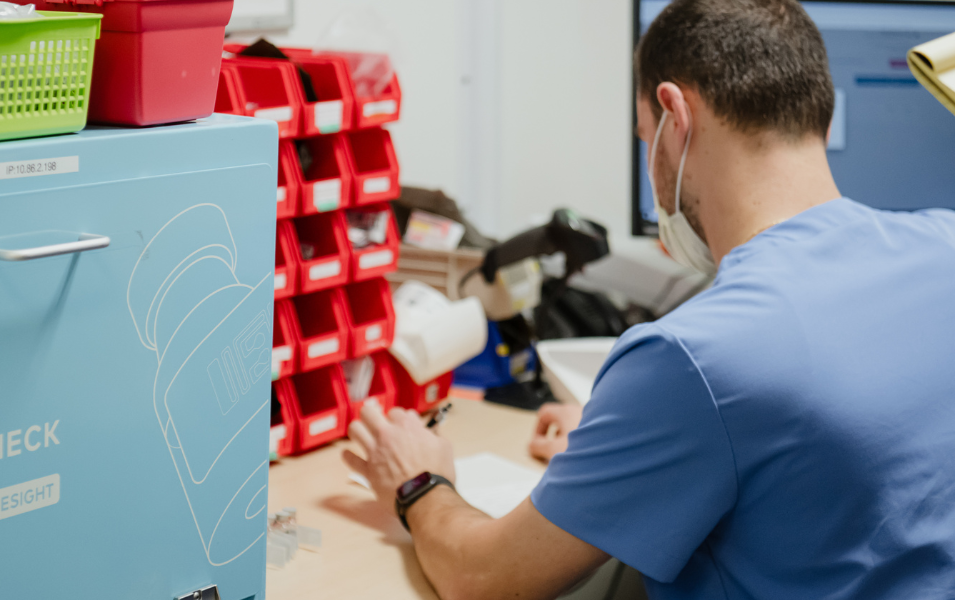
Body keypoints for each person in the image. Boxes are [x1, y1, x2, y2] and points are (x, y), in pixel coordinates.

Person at [341, 0, 955, 598]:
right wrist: (634, 440)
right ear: (820, 115)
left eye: (644, 136)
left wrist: (418, 480)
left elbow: (484, 581)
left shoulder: (696, 356)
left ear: (673, 116)